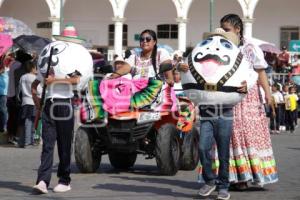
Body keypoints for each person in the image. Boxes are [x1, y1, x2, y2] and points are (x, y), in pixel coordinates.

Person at [219, 13, 278, 188]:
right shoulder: (222, 47)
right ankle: (233, 176)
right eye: (222, 29)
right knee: (229, 135)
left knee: (247, 133)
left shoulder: (251, 48)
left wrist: (268, 95)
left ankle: (246, 176)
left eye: (227, 29)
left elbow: (260, 72)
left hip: (248, 97)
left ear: (238, 29)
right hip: (228, 96)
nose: (223, 33)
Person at [32, 24, 85, 194]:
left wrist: (53, 81)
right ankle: (42, 180)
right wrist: (37, 95)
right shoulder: (52, 54)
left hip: (64, 103)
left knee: (64, 144)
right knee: (47, 144)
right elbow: (38, 80)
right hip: (49, 102)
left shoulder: (75, 58)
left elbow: (75, 80)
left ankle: (64, 179)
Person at [17, 59, 41, 148]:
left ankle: (22, 141)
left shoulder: (22, 77)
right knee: (30, 122)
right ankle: (28, 142)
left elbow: (19, 89)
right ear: (32, 68)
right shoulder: (34, 78)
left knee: (25, 122)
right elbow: (39, 90)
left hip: (25, 101)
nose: (36, 70)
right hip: (33, 101)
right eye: (35, 68)